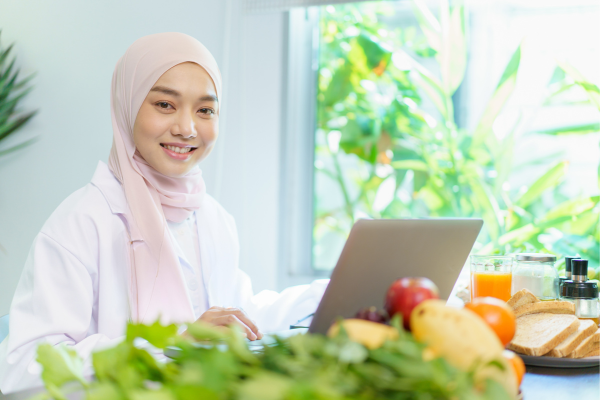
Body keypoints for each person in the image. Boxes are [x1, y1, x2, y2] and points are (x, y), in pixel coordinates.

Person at [0, 32, 328, 393]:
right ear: (127, 106)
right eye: (165, 105)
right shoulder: (82, 222)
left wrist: (323, 295)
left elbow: (237, 315)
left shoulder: (212, 218)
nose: (186, 128)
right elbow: (22, 369)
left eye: (205, 110)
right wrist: (171, 346)